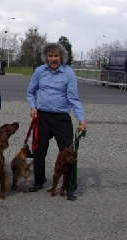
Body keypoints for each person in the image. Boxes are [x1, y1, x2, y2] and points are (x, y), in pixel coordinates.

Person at [26, 43, 88, 201]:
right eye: (50, 56)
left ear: (61, 57)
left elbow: (74, 99)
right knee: (39, 151)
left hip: (61, 119)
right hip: (42, 117)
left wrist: (81, 119)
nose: (53, 59)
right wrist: (33, 107)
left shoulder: (68, 73)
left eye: (56, 56)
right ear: (46, 57)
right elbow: (31, 92)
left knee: (68, 153)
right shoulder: (40, 71)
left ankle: (70, 186)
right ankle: (39, 180)